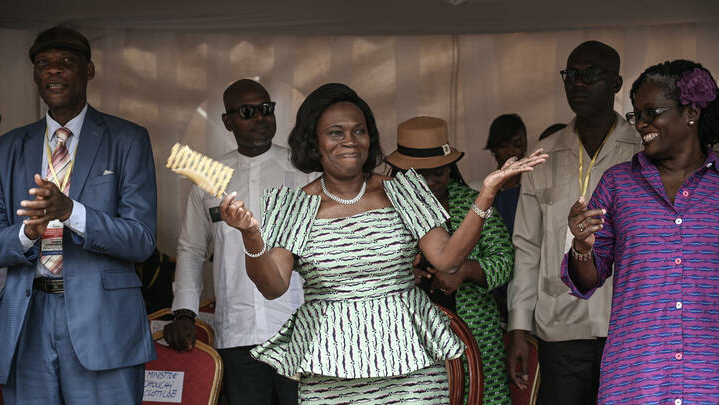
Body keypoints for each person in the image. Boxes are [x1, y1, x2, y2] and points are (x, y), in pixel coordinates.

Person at [219, 83, 546, 403]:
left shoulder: (403, 190)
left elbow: (447, 260)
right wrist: (251, 236)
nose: (350, 141)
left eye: (359, 131)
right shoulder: (296, 205)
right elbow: (273, 286)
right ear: (314, 142)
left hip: (411, 367)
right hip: (332, 367)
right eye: (336, 132)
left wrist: (487, 194)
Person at [0, 26, 157, 404]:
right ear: (35, 74)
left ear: (88, 70)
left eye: (66, 62)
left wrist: (72, 212)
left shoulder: (127, 139)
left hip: (103, 323)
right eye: (43, 63)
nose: (53, 70)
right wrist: (27, 233)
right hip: (27, 320)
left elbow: (141, 241)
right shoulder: (9, 146)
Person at [562, 60, 719, 404]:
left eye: (652, 112)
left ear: (691, 112)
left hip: (708, 374)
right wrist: (582, 247)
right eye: (637, 115)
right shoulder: (618, 184)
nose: (642, 125)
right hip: (638, 376)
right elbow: (587, 279)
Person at [507, 40, 642, 404]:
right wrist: (519, 325)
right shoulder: (545, 154)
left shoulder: (642, 152)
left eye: (591, 75)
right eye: (572, 75)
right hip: (560, 325)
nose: (578, 84)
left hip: (626, 326)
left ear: (616, 84)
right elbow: (527, 246)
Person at [163, 79, 308, 405]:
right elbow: (192, 248)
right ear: (228, 121)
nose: (260, 118)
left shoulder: (302, 171)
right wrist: (184, 312)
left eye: (266, 109)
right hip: (238, 330)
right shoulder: (210, 175)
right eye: (247, 112)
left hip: (299, 328)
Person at [386, 116, 513, 404]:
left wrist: (465, 270)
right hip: (406, 339)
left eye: (438, 173)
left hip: (474, 334)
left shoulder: (475, 204)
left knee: (480, 396)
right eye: (420, 175)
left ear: (450, 168)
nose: (430, 183)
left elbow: (505, 261)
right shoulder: (384, 210)